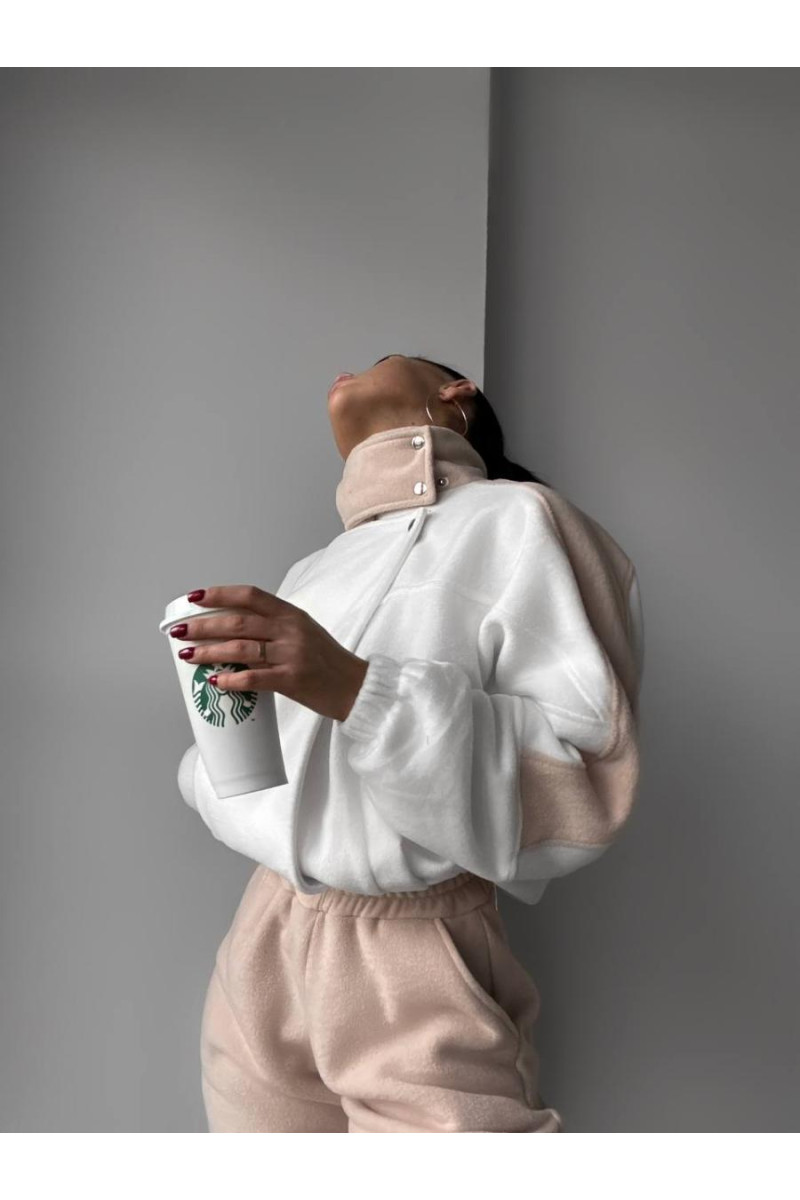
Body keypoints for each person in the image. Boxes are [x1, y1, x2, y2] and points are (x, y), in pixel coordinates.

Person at [175, 353, 645, 1133]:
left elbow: (587, 782)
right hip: (262, 935)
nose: (344, 370)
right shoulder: (320, 563)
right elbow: (282, 767)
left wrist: (359, 690)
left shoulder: (524, 520)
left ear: (457, 396)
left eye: (380, 360)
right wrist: (218, 750)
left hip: (411, 948)